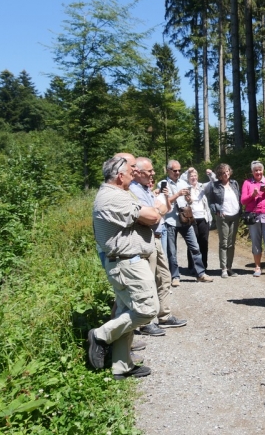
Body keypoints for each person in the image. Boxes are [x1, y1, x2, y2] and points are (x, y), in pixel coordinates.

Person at [89, 156, 161, 379]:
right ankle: (100, 334)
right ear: (120, 176)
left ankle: (121, 366)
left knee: (125, 312)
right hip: (126, 263)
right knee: (147, 309)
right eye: (131, 169)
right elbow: (152, 215)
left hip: (125, 261)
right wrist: (155, 209)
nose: (134, 172)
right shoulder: (113, 197)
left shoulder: (116, 194)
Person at [130, 157, 188, 336]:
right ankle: (146, 321)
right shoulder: (134, 190)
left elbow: (164, 208)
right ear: (138, 172)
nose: (153, 173)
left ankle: (164, 315)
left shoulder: (144, 189)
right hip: (147, 238)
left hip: (156, 236)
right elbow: (153, 215)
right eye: (149, 171)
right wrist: (157, 210)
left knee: (164, 276)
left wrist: (157, 209)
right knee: (149, 281)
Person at [161, 159, 213, 286]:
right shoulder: (163, 184)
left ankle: (200, 273)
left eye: (179, 170)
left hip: (186, 219)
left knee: (195, 247)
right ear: (168, 171)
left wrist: (189, 199)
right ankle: (175, 276)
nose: (177, 172)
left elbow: (188, 202)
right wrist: (178, 194)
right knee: (172, 251)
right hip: (171, 220)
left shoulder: (183, 182)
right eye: (175, 170)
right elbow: (163, 203)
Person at [241, 161, 265, 277]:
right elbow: (243, 201)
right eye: (255, 170)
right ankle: (257, 267)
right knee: (256, 243)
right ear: (252, 172)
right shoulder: (247, 183)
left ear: (263, 171)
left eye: (260, 170)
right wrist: (252, 195)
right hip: (253, 216)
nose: (258, 172)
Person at [204, 163, 241, 278]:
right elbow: (211, 201)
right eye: (223, 172)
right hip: (223, 217)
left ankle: (230, 268)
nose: (226, 174)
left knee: (231, 243)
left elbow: (238, 197)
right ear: (219, 174)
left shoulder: (234, 183)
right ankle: (224, 268)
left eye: (227, 171)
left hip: (235, 216)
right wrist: (217, 209)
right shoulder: (214, 185)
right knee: (224, 242)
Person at [180, 167, 216, 272]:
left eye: (195, 175)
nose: (193, 177)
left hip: (203, 218)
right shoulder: (185, 187)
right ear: (188, 178)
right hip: (191, 218)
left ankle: (203, 266)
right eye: (191, 176)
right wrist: (187, 171)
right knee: (192, 243)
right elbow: (181, 179)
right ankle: (192, 266)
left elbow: (214, 182)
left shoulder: (202, 186)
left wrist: (210, 174)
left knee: (203, 242)